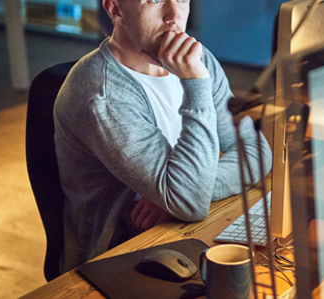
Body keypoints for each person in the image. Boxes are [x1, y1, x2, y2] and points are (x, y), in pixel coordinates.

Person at [53, 0, 272, 274]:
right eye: (155, 0)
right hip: (116, 263)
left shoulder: (199, 62)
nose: (174, 16)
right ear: (114, 9)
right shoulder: (103, 94)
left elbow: (257, 152)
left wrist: (186, 191)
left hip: (180, 236)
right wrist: (195, 85)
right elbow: (190, 200)